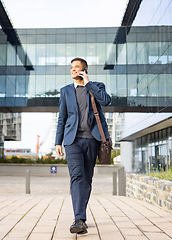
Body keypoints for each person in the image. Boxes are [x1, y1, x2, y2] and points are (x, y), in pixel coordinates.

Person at [55, 57, 111, 234]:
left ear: (84, 70)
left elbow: (106, 101)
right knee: (77, 177)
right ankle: (79, 219)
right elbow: (62, 118)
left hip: (93, 140)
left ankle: (81, 214)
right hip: (72, 141)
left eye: (76, 67)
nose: (72, 70)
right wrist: (58, 142)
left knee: (87, 179)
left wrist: (88, 84)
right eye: (71, 67)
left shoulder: (96, 86)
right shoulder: (65, 91)